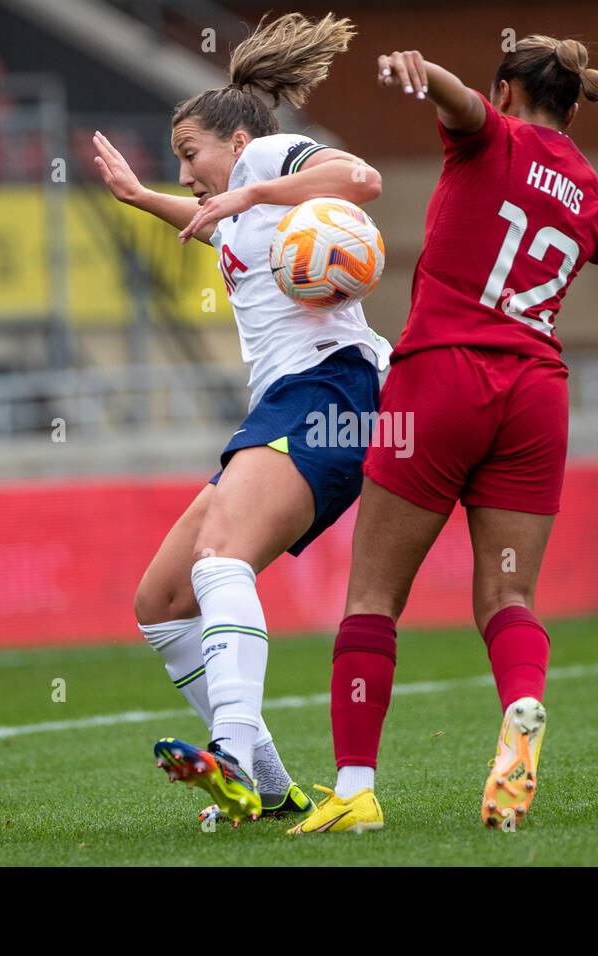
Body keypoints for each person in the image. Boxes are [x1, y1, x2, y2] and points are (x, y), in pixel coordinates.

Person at [288, 36, 598, 835]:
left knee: (374, 597)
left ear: (508, 91)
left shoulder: (493, 135)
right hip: (534, 398)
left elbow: (456, 103)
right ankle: (521, 706)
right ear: (574, 107)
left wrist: (422, 71)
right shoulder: (592, 195)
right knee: (508, 596)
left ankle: (354, 791)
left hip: (442, 377)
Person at [93, 12, 391, 825]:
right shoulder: (240, 208)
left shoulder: (265, 159)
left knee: (221, 558)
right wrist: (137, 196)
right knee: (160, 601)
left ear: (232, 140)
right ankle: (265, 782)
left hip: (330, 392)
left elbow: (363, 181)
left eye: (190, 154)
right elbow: (213, 227)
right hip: (284, 406)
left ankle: (226, 749)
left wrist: (252, 187)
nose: (186, 172)